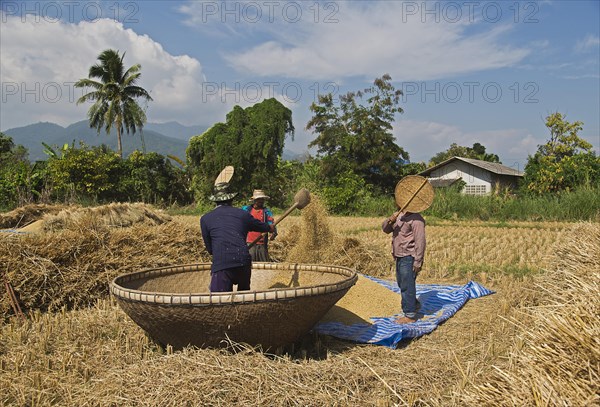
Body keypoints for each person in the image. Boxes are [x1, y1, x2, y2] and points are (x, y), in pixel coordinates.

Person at [200, 182, 275, 292]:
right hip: (242, 262)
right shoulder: (242, 214)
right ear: (231, 199)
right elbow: (260, 226)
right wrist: (270, 228)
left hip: (222, 263)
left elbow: (210, 250)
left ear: (215, 200)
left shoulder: (205, 219)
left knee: (220, 300)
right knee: (243, 298)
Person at [382, 208, 426, 324]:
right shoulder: (399, 216)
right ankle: (414, 304)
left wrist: (418, 261)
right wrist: (390, 220)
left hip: (409, 257)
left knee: (407, 285)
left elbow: (420, 242)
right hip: (399, 256)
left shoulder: (417, 220)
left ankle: (410, 315)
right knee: (401, 283)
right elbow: (385, 229)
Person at [242, 189, 277, 262]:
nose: (261, 201)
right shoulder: (246, 210)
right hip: (249, 243)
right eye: (259, 199)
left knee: (264, 264)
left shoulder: (266, 212)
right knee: (249, 264)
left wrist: (273, 232)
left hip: (262, 243)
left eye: (262, 199)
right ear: (254, 200)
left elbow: (271, 224)